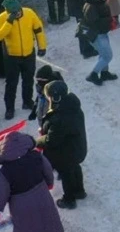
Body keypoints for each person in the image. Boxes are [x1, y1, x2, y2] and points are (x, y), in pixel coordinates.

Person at [0, 131, 64, 232]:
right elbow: (48, 171)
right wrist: (49, 184)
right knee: (43, 221)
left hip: (20, 203)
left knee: (26, 230)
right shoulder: (36, 155)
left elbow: (3, 191)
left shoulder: (5, 170)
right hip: (41, 194)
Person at [0, 0, 46, 120]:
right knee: (11, 83)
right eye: (13, 12)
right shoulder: (1, 19)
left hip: (29, 53)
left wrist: (42, 46)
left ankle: (27, 101)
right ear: (7, 11)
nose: (18, 13)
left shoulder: (29, 13)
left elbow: (38, 29)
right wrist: (9, 22)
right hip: (11, 56)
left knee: (28, 79)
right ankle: (9, 108)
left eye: (18, 10)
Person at [37, 80, 88, 209]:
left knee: (67, 174)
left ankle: (69, 199)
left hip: (65, 153)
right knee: (75, 167)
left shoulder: (59, 117)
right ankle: (79, 191)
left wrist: (38, 140)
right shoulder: (73, 107)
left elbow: (51, 140)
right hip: (77, 148)